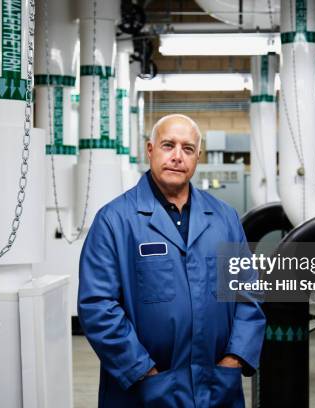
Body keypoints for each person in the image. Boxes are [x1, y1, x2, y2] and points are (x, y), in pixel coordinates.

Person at [78, 113, 266, 407]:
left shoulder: (224, 218)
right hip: (142, 390)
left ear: (197, 157)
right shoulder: (115, 221)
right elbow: (98, 306)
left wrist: (234, 359)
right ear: (150, 150)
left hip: (216, 386)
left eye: (188, 149)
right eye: (168, 145)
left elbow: (248, 293)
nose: (178, 156)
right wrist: (143, 371)